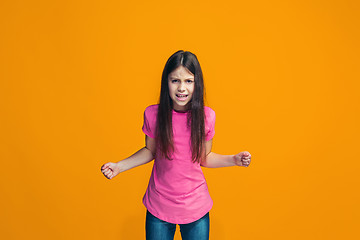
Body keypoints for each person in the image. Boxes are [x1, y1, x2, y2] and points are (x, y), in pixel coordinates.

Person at [100, 50, 252, 240]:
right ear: (167, 83)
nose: (182, 88)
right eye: (175, 81)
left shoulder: (206, 117)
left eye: (189, 81)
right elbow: (150, 151)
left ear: (197, 84)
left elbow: (204, 157)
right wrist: (119, 166)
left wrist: (234, 159)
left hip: (196, 206)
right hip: (159, 205)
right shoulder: (153, 115)